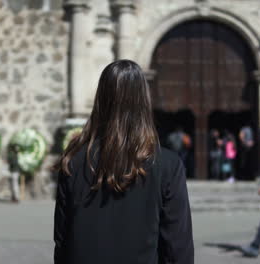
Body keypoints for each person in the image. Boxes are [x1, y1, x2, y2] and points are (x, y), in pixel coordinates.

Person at [53, 60, 194, 264]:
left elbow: (62, 243)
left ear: (100, 99)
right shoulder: (168, 166)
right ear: (144, 100)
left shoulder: (73, 162)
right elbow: (177, 248)